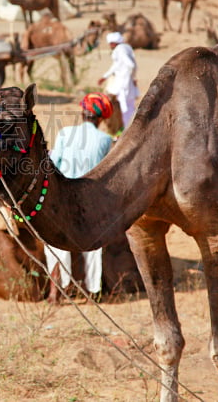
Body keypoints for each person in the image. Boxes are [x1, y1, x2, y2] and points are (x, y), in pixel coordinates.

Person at [44, 92, 114, 303]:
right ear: (102, 119)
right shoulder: (105, 140)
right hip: (89, 200)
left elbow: (53, 164)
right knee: (94, 246)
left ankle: (58, 289)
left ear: (82, 113)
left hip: (62, 198)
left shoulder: (65, 134)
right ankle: (93, 291)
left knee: (54, 244)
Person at [97, 32, 138, 129]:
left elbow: (130, 65)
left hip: (123, 83)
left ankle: (125, 129)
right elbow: (118, 65)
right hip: (125, 82)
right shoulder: (125, 48)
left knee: (124, 107)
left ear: (113, 43)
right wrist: (105, 76)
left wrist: (129, 77)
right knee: (128, 106)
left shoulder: (120, 50)